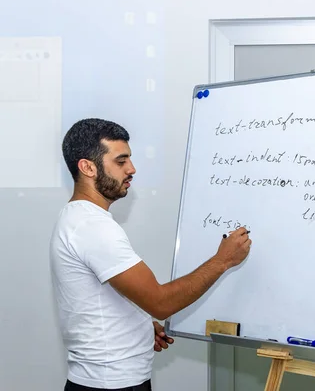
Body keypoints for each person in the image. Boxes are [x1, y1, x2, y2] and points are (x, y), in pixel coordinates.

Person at [49, 118, 252, 390]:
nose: (131, 169)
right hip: (111, 385)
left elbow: (102, 299)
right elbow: (160, 303)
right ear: (87, 167)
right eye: (120, 162)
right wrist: (222, 260)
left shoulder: (78, 219)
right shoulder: (92, 227)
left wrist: (140, 327)